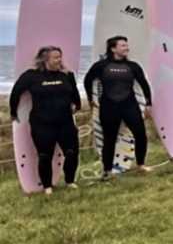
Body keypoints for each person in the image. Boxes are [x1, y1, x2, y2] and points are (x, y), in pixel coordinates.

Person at [9, 46, 81, 194]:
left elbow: (74, 93)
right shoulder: (31, 76)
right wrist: (13, 112)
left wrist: (77, 105)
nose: (59, 60)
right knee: (44, 155)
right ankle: (47, 186)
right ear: (45, 59)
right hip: (41, 123)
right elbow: (16, 92)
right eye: (55, 57)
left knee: (72, 152)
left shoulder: (67, 75)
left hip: (65, 122)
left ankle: (69, 181)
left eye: (60, 57)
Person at [84, 36, 152, 176]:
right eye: (123, 45)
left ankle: (141, 164)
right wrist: (91, 99)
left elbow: (144, 84)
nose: (126, 47)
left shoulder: (133, 66)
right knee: (109, 139)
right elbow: (87, 80)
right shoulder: (101, 65)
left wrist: (148, 103)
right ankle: (107, 170)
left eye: (126, 45)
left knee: (140, 135)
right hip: (109, 107)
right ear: (113, 48)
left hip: (129, 106)